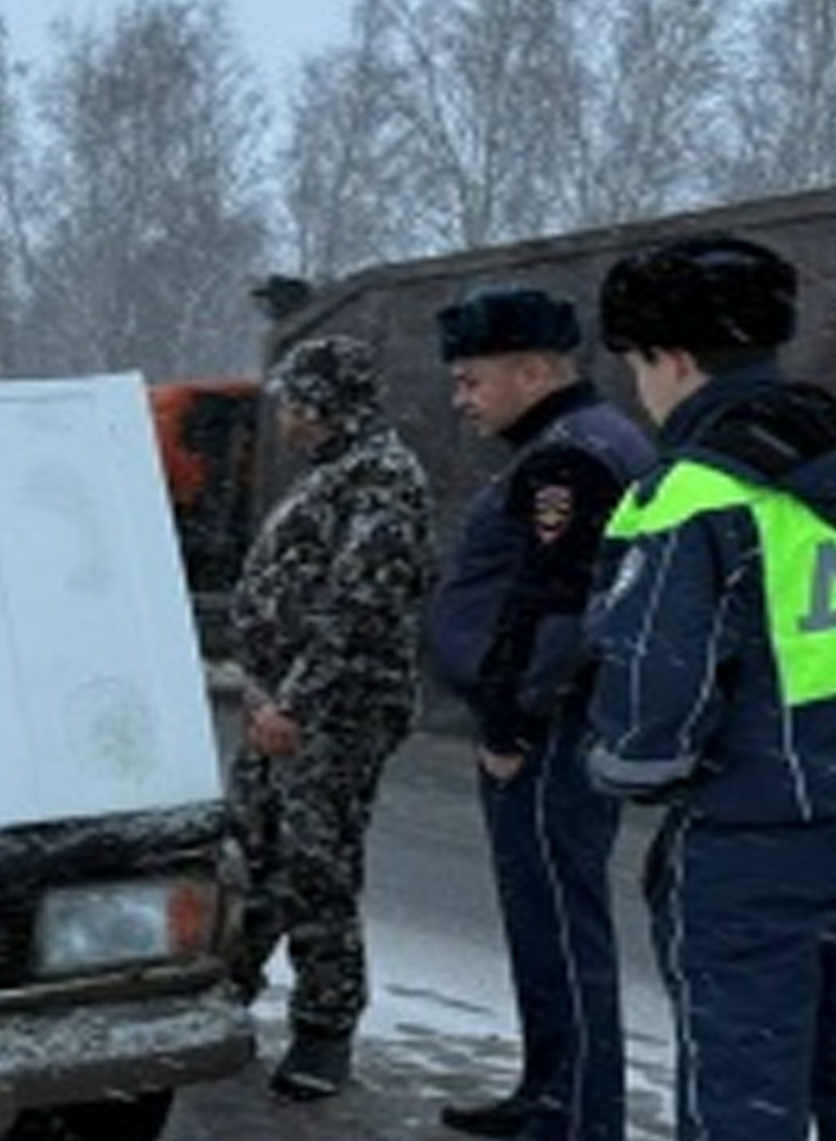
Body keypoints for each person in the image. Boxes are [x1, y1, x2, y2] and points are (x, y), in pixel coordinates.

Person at [586, 234, 836, 1141]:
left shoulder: (690, 497)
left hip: (757, 848)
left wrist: (626, 763)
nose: (639, 386)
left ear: (669, 358)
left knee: (745, 1099)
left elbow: (651, 708)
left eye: (636, 363)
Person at [427, 287, 653, 1141]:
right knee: (541, 919)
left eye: (472, 380)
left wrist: (508, 725)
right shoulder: (576, 444)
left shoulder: (573, 457)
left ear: (534, 369)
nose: (462, 398)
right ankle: (548, 1088)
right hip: (553, 720)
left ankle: (582, 1116)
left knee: (562, 923)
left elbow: (560, 609)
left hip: (551, 731)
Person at [227, 334, 435, 1100]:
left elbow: (361, 604)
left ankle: (324, 1027)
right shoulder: (333, 473)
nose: (283, 414)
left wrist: (297, 702)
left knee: (317, 864)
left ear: (321, 404)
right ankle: (224, 995)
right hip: (279, 706)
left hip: (332, 714)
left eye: (292, 400)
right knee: (250, 855)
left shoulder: (382, 476)